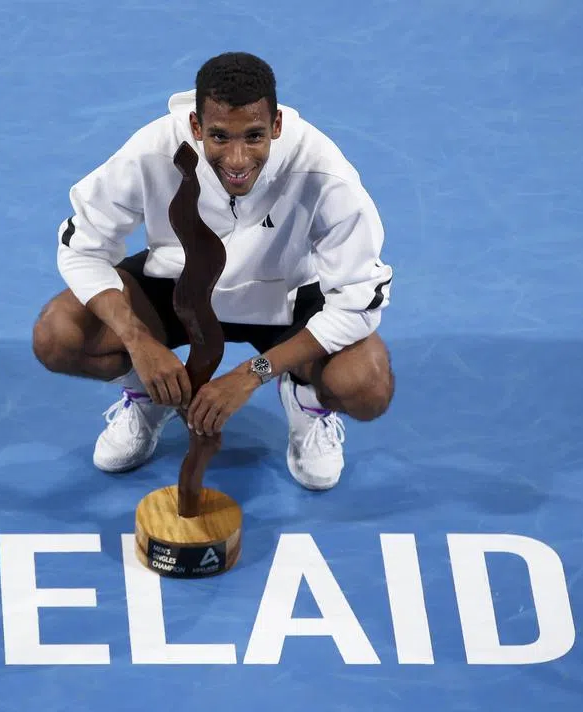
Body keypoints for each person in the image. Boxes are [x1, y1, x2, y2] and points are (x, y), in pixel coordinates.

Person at [32, 52, 395, 491]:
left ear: (276, 126)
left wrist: (252, 373)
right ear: (196, 127)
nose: (238, 159)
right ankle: (151, 391)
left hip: (287, 298)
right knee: (58, 335)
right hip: (175, 289)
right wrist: (139, 342)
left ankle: (306, 400)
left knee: (366, 385)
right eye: (220, 137)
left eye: (255, 136)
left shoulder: (323, 172)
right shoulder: (152, 150)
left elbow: (356, 301)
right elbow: (83, 248)